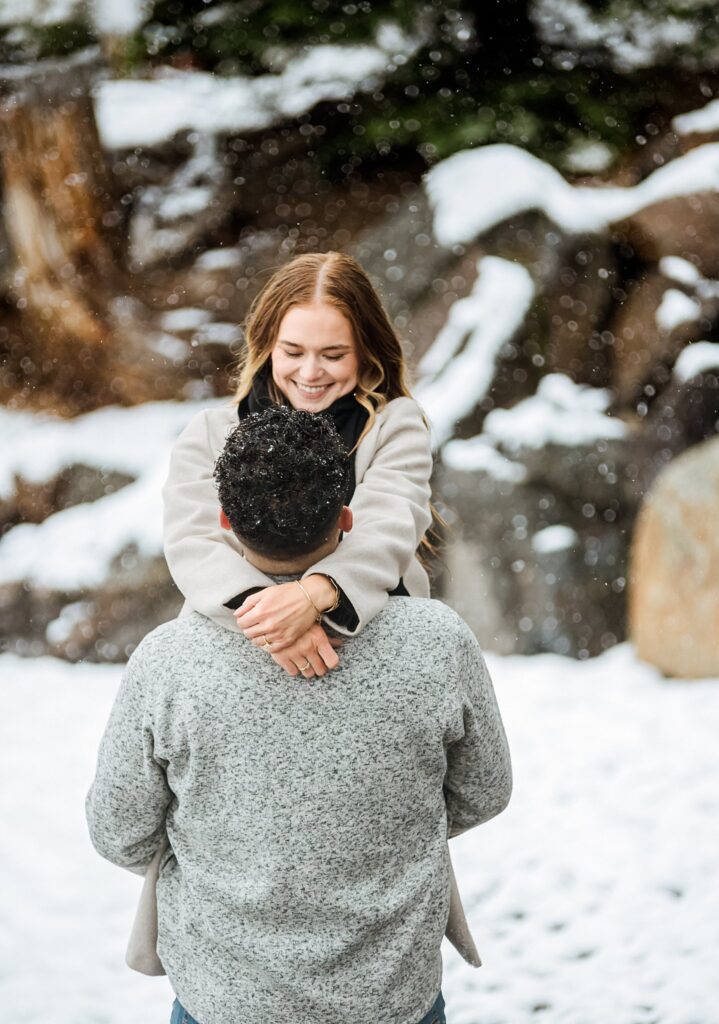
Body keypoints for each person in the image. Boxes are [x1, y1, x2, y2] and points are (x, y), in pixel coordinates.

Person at [86, 407, 513, 1024]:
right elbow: (485, 791)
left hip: (222, 1002)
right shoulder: (437, 640)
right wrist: (374, 837)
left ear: (224, 522)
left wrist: (236, 852)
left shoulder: (169, 661)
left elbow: (119, 831)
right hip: (392, 998)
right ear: (348, 518)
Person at [162, 250, 434, 679]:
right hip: (237, 638)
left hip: (371, 631)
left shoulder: (394, 426)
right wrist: (277, 624)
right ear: (267, 344)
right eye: (292, 351)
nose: (310, 372)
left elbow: (390, 524)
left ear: (365, 352)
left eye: (333, 355)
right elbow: (192, 542)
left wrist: (315, 595)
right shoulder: (211, 431)